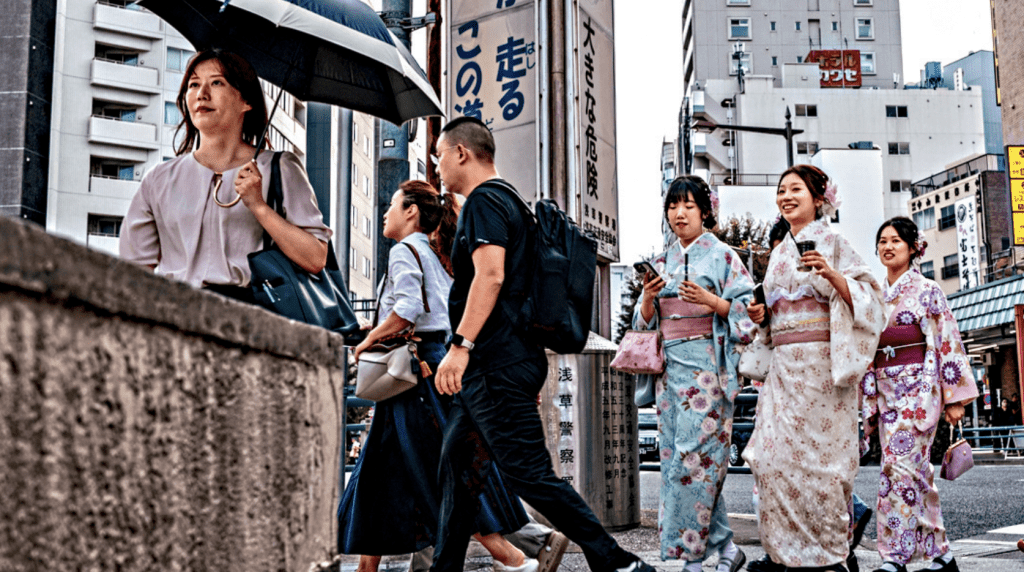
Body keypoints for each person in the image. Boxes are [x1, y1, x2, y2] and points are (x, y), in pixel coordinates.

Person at [429, 116, 655, 572]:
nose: (436, 166)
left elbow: (489, 277)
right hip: (499, 366)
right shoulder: (513, 203)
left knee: (529, 474)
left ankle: (616, 561)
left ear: (461, 152)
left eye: (439, 155)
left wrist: (460, 345)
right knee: (458, 475)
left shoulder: (485, 203)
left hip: (494, 364)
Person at [338, 180, 536, 572]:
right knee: (380, 468)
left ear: (411, 211)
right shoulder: (438, 251)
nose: (384, 212)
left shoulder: (403, 250)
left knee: (437, 469)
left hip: (415, 375)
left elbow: (408, 309)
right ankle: (366, 567)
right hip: (434, 365)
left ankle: (512, 558)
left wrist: (368, 341)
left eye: (391, 205)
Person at [745, 165, 885, 572]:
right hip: (784, 372)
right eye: (781, 190)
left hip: (823, 373)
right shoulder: (777, 254)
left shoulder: (835, 242)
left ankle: (826, 557)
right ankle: (783, 553)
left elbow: (871, 301)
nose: (786, 196)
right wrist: (761, 315)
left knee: (821, 470)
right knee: (772, 461)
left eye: (796, 190)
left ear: (819, 197)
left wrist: (832, 275)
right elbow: (774, 317)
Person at [119, 49, 330, 302]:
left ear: (246, 101)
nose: (201, 94)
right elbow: (133, 271)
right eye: (193, 84)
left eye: (217, 82)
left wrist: (259, 206)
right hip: (176, 316)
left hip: (254, 318)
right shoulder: (159, 179)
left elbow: (315, 258)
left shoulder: (280, 168)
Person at [632, 176, 755, 572]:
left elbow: (749, 314)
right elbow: (642, 322)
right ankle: (728, 548)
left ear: (705, 211)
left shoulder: (724, 257)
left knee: (693, 460)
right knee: (681, 464)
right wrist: (649, 299)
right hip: (670, 375)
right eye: (672, 206)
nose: (679, 213)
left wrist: (712, 300)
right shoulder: (663, 259)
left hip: (708, 373)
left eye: (688, 205)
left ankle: (692, 557)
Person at [861, 217, 978, 572]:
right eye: (882, 241)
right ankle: (941, 553)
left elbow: (947, 342)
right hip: (886, 394)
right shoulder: (876, 295)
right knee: (913, 475)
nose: (888, 246)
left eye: (896, 240)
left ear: (914, 248)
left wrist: (954, 397)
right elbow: (867, 347)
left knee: (897, 471)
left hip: (918, 392)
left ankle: (893, 558)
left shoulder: (928, 290)